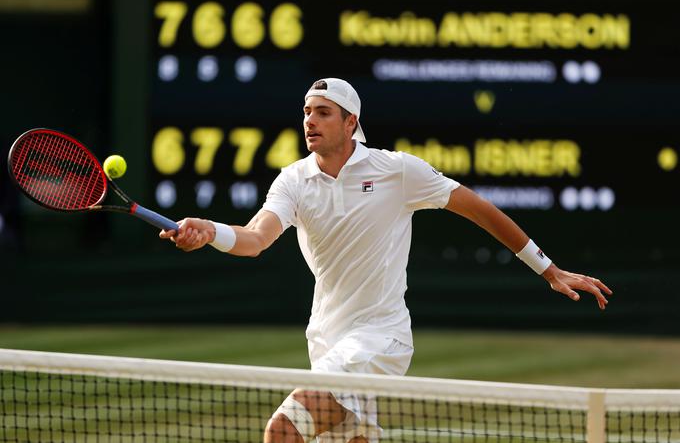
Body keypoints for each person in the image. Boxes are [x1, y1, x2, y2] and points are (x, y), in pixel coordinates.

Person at [159, 77, 612, 443]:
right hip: (325, 342)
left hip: (380, 340)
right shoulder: (293, 181)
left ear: (350, 121)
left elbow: (480, 210)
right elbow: (255, 238)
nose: (309, 121)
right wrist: (210, 232)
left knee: (282, 431)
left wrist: (547, 269)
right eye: (306, 112)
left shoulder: (397, 170)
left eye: (322, 112)